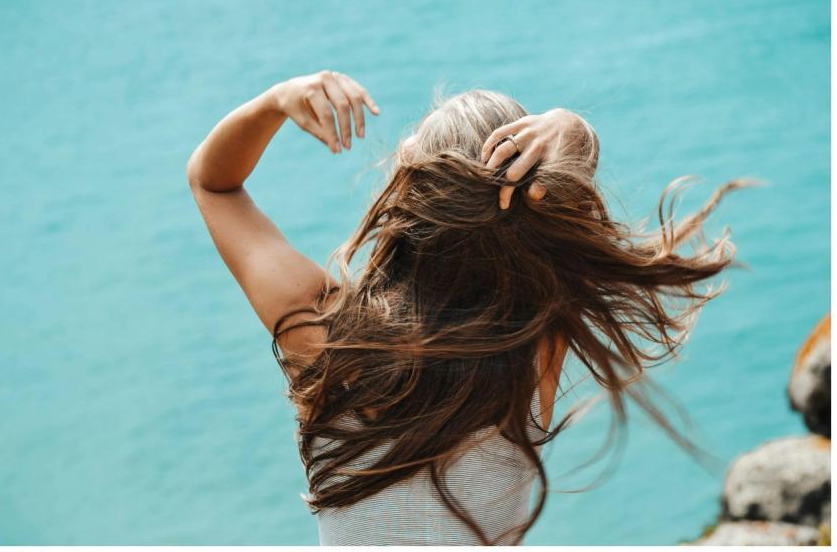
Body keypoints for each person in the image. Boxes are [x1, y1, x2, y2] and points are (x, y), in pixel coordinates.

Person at [186, 70, 748, 545]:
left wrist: (275, 100)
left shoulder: (326, 337)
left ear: (410, 197)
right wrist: (576, 131)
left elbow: (214, 185)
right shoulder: (536, 345)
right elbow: (557, 206)